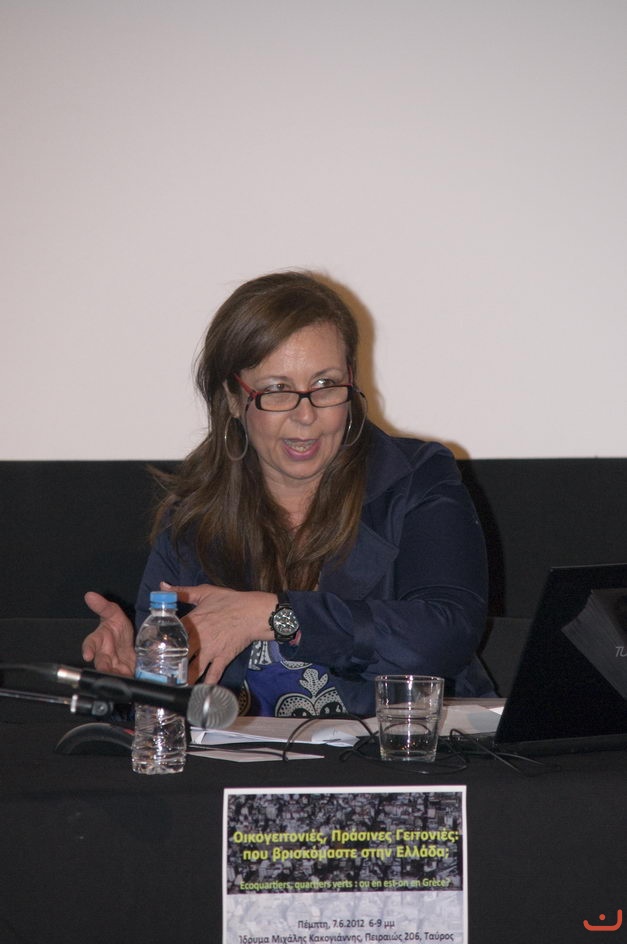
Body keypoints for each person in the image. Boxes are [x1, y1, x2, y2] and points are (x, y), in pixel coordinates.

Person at [82, 271, 492, 717]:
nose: (305, 415)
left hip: (406, 749)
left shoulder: (414, 478)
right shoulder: (193, 515)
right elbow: (170, 700)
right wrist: (133, 680)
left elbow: (443, 637)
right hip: (246, 758)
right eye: (277, 390)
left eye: (325, 385)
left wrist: (276, 615)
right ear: (233, 399)